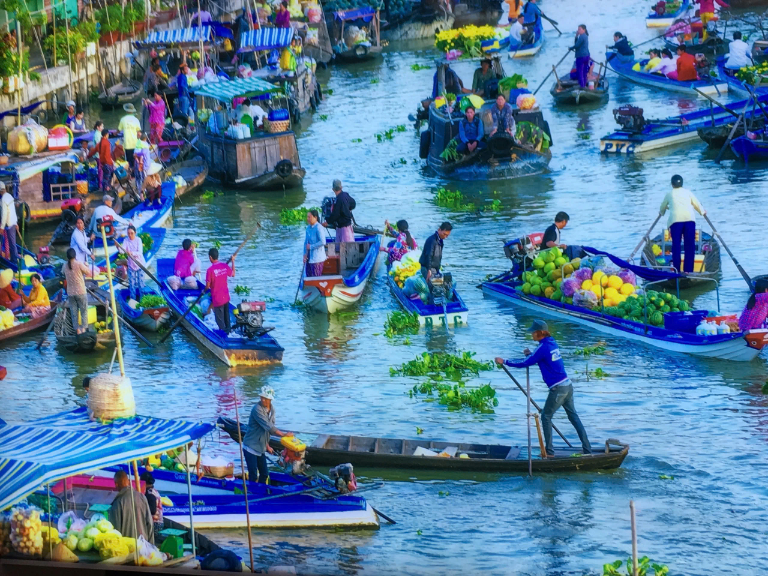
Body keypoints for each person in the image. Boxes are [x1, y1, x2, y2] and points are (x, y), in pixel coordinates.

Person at [495, 320, 592, 457]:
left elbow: (525, 363)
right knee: (573, 417)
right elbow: (539, 357)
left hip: (558, 389)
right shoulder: (551, 342)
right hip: (568, 386)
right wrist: (531, 354)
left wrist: (504, 361)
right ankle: (588, 449)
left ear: (539, 333)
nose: (531, 335)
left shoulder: (542, 348)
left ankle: (549, 453)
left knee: (546, 416)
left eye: (533, 332)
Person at [242, 386, 292, 484]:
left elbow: (266, 431)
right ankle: (252, 494)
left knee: (264, 474)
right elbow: (269, 427)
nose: (262, 399)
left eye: (265, 398)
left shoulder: (272, 410)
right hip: (250, 446)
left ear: (270, 400)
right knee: (253, 475)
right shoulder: (257, 409)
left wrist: (267, 446)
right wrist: (284, 435)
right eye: (262, 397)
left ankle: (260, 491)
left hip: (261, 447)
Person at [659, 174, 706, 274]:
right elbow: (697, 203)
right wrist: (702, 212)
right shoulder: (688, 192)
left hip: (675, 221)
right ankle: (688, 270)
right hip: (689, 220)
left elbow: (663, 206)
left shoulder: (669, 194)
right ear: (682, 184)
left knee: (676, 245)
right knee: (690, 245)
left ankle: (677, 270)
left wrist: (661, 212)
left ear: (672, 184)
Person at [109, 470, 154, 543]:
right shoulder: (142, 497)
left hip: (128, 548)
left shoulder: (118, 502)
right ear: (129, 481)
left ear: (116, 484)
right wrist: (151, 546)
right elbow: (150, 523)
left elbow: (115, 532)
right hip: (144, 545)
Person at [63, 247, 93, 334]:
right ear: (75, 255)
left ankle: (77, 330)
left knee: (74, 312)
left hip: (70, 292)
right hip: (80, 291)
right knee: (84, 311)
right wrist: (86, 265)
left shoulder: (65, 265)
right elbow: (87, 272)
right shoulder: (79, 264)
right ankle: (83, 330)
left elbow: (63, 273)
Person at [205, 247, 235, 333]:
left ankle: (224, 336)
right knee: (227, 318)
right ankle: (228, 332)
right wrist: (232, 261)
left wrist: (204, 290)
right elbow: (233, 274)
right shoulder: (224, 266)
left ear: (210, 257)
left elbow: (207, 286)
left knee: (219, 320)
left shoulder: (210, 270)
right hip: (226, 297)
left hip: (218, 299)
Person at [323, 180, 356, 251]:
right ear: (341, 187)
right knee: (348, 248)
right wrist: (348, 209)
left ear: (333, 189)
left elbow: (335, 214)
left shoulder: (338, 200)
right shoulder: (346, 195)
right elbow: (353, 203)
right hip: (347, 226)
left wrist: (327, 222)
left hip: (342, 227)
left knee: (342, 248)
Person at [122, 225, 145, 301]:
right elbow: (122, 251)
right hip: (131, 265)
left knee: (141, 284)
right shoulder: (126, 240)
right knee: (132, 285)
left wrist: (131, 253)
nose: (130, 235)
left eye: (132, 233)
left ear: (135, 233)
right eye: (128, 233)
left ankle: (142, 300)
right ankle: (133, 300)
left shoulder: (138, 240)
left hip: (139, 264)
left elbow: (140, 252)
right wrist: (118, 247)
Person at [304, 209, 328, 277]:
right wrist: (304, 254)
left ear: (315, 217)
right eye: (307, 217)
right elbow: (306, 242)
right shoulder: (308, 228)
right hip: (309, 256)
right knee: (308, 276)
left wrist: (311, 246)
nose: (307, 219)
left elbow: (323, 242)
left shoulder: (319, 227)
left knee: (316, 276)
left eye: (309, 217)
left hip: (317, 258)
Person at [0, 181, 19, 266]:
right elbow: (13, 211)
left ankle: (14, 261)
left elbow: (4, 214)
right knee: (12, 243)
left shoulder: (3, 199)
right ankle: (13, 258)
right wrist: (16, 222)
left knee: (12, 243)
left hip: (9, 224)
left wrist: (2, 227)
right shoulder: (9, 196)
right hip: (12, 222)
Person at [118, 103, 141, 167]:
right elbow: (138, 133)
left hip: (127, 144)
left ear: (126, 111)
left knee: (128, 160)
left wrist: (115, 133)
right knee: (135, 159)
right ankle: (135, 172)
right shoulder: (136, 120)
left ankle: (130, 172)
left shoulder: (123, 119)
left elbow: (119, 130)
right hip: (135, 143)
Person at [569, 24, 590, 88]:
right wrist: (576, 36)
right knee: (584, 71)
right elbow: (577, 44)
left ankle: (582, 86)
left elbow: (576, 46)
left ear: (584, 30)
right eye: (578, 29)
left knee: (580, 71)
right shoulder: (586, 36)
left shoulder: (582, 37)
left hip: (581, 57)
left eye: (580, 29)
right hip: (587, 56)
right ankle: (584, 84)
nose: (578, 31)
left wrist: (570, 48)